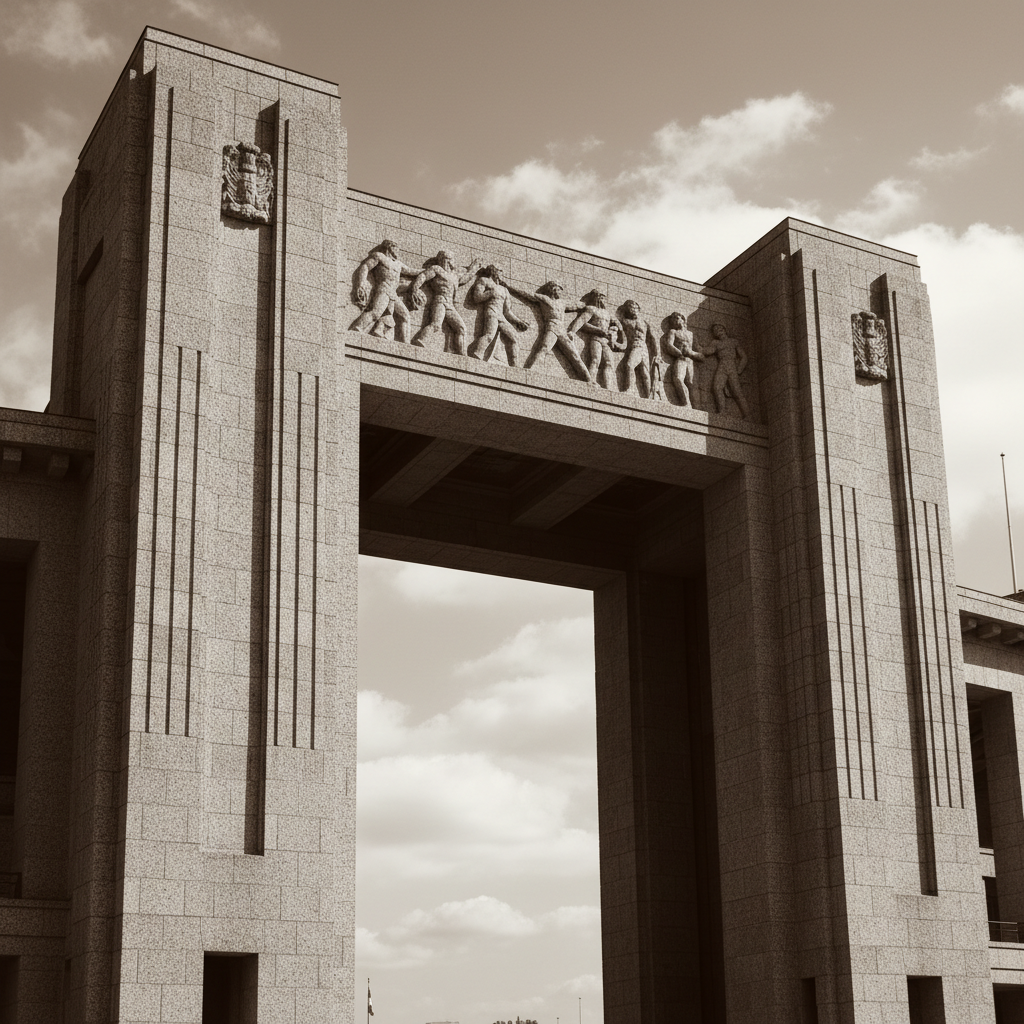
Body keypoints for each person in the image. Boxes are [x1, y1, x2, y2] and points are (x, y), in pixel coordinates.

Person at [505, 280, 593, 381]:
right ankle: (531, 370)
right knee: (544, 348)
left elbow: (577, 305)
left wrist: (590, 303)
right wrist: (508, 286)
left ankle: (588, 379)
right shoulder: (544, 299)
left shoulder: (562, 302)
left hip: (562, 330)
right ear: (553, 289)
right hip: (551, 327)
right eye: (559, 290)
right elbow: (526, 293)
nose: (560, 292)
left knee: (574, 354)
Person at [409, 249, 483, 352]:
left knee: (461, 328)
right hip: (440, 301)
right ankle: (420, 340)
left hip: (450, 305)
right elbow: (423, 276)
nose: (454, 262)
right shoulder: (437, 269)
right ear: (446, 259)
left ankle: (462, 354)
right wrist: (415, 289)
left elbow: (465, 277)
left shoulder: (454, 275)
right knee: (436, 325)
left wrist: (475, 267)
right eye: (452, 259)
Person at [349, 239, 418, 343]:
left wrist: (429, 271)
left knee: (405, 315)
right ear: (390, 247)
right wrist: (361, 283)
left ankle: (406, 343)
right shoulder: (379, 256)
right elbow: (365, 267)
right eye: (396, 248)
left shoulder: (398, 264)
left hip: (393, 293)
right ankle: (356, 328)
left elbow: (412, 271)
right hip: (384, 289)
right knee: (376, 313)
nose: (398, 251)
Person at [467, 265, 530, 364]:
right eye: (500, 270)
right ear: (494, 271)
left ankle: (514, 365)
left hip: (501, 316)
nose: (502, 273)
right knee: (489, 335)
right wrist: (490, 293)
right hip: (491, 312)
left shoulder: (504, 290)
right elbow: (477, 297)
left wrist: (519, 321)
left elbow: (507, 311)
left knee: (514, 338)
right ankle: (476, 353)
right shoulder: (484, 280)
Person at [566, 289, 623, 389]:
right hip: (596, 339)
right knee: (595, 360)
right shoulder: (591, 309)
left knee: (609, 363)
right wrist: (572, 331)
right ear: (596, 298)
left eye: (604, 298)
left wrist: (615, 332)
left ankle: (608, 387)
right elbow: (582, 322)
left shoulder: (608, 314)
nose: (603, 300)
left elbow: (619, 327)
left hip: (606, 341)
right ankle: (591, 380)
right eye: (601, 297)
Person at [704, 322, 751, 419]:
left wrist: (739, 370)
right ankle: (722, 411)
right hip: (722, 365)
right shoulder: (716, 343)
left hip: (732, 366)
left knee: (737, 391)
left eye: (720, 327)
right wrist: (696, 347)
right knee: (717, 388)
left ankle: (747, 415)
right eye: (715, 329)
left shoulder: (733, 341)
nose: (718, 330)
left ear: (724, 329)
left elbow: (744, 357)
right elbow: (708, 351)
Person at [661, 311, 704, 408]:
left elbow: (700, 352)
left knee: (692, 384)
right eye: (673, 320)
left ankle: (697, 407)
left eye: (677, 318)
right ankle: (686, 403)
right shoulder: (673, 332)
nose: (675, 321)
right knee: (677, 379)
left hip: (690, 361)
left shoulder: (691, 334)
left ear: (683, 319)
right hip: (680, 359)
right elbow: (669, 345)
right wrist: (679, 353)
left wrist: (692, 353)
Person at [617, 300, 658, 396]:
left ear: (639, 309)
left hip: (643, 347)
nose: (633, 309)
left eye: (635, 307)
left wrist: (657, 354)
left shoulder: (644, 322)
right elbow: (618, 333)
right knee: (630, 365)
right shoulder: (624, 322)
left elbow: (653, 338)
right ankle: (630, 388)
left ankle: (649, 395)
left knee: (644, 371)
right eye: (631, 307)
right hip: (634, 346)